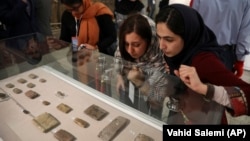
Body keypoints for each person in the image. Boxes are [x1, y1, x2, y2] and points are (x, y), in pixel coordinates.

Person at [155, 4, 250, 124]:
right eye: (159, 38)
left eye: (169, 40)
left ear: (188, 35)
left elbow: (247, 94)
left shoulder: (203, 62)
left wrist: (205, 89)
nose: (161, 46)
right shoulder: (176, 53)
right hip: (183, 114)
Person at [114, 13, 170, 119]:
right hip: (131, 80)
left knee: (151, 117)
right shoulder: (126, 40)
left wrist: (140, 83)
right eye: (126, 44)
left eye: (136, 45)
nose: (130, 50)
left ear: (148, 42)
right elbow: (119, 54)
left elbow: (156, 100)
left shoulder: (159, 51)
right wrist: (119, 76)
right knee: (128, 111)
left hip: (150, 85)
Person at [191, 0, 250, 78]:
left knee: (192, 85)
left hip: (198, 50)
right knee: (218, 89)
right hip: (224, 55)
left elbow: (191, 23)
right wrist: (240, 61)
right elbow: (244, 34)